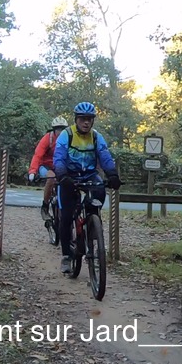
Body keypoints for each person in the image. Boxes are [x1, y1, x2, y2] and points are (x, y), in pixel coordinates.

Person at [52, 102, 121, 274]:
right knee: (66, 217)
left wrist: (112, 174)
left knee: (98, 195)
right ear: (76, 119)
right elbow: (59, 158)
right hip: (69, 176)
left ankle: (91, 227)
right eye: (83, 119)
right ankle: (66, 256)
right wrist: (62, 176)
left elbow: (105, 156)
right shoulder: (66, 135)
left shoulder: (96, 137)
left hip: (89, 175)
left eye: (89, 119)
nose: (86, 122)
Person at [29, 116, 68, 220]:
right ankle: (45, 206)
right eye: (58, 129)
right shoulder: (48, 138)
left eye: (63, 129)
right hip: (46, 166)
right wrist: (32, 171)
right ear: (54, 130)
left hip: (61, 166)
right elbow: (37, 155)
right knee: (51, 178)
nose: (60, 132)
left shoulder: (68, 139)